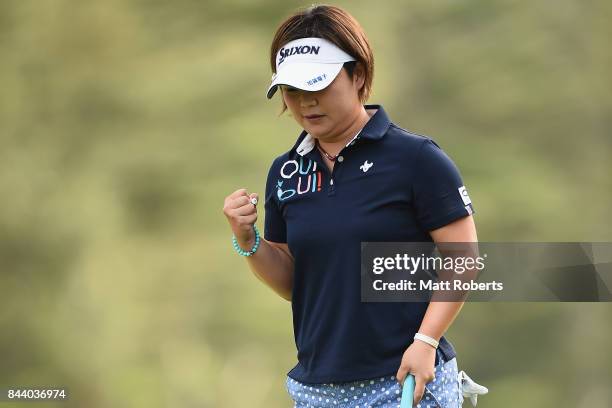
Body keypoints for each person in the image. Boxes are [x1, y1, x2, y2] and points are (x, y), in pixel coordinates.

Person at [223, 5, 486, 407]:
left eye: (319, 86)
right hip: (317, 389)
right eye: (293, 91)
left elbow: (464, 258)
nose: (306, 103)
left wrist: (426, 341)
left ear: (358, 75)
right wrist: (250, 240)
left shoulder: (416, 158)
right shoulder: (286, 172)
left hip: (406, 379)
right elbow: (295, 282)